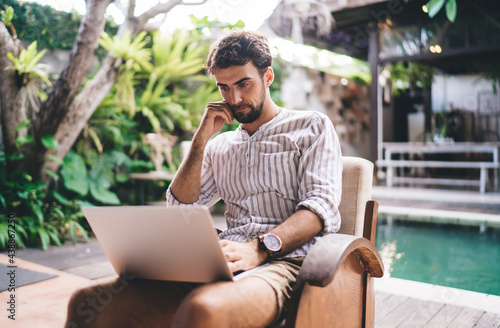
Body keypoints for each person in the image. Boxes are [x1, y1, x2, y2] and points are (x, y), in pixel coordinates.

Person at [65, 30, 342, 328]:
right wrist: (201, 139)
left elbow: (319, 208)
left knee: (203, 310)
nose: (234, 99)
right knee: (85, 302)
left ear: (268, 77)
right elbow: (182, 205)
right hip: (222, 260)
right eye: (223, 87)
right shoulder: (219, 146)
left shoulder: (311, 127)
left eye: (243, 84)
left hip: (284, 264)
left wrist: (259, 248)